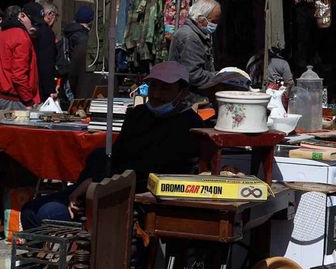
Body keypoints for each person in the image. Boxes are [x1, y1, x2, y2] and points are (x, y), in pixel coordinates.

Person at [22, 60, 210, 225]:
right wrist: (91, 184)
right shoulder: (139, 115)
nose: (156, 94)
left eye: (165, 89)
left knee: (48, 213)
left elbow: (154, 169)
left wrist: (96, 183)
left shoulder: (189, 125)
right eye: (153, 86)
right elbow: (117, 154)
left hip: (137, 198)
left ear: (182, 93)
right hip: (106, 187)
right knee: (30, 210)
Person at [169, 0, 222, 101]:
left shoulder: (196, 34)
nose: (215, 25)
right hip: (188, 99)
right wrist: (221, 77)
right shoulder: (190, 37)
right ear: (201, 19)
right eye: (213, 21)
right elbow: (194, 75)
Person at [0, 4, 40, 106]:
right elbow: (19, 75)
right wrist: (28, 100)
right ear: (20, 17)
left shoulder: (2, 34)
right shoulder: (21, 37)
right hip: (13, 99)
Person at [23, 1, 57, 102]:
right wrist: (50, 89)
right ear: (50, 14)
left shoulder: (28, 30)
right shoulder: (47, 32)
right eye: (56, 16)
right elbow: (46, 63)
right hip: (39, 87)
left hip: (24, 83)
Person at [62, 2, 94, 99]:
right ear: (90, 21)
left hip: (66, 72)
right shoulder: (83, 37)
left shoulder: (70, 32)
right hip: (75, 76)